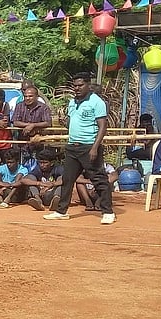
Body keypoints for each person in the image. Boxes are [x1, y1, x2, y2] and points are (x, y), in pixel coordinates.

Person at [43, 72, 115, 224]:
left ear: (88, 85)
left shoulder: (97, 102)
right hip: (72, 147)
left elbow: (103, 126)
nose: (77, 88)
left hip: (88, 146)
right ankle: (61, 211)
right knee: (67, 179)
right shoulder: (72, 102)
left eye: (80, 85)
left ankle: (108, 212)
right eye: (75, 86)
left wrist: (95, 148)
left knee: (99, 179)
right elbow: (71, 121)